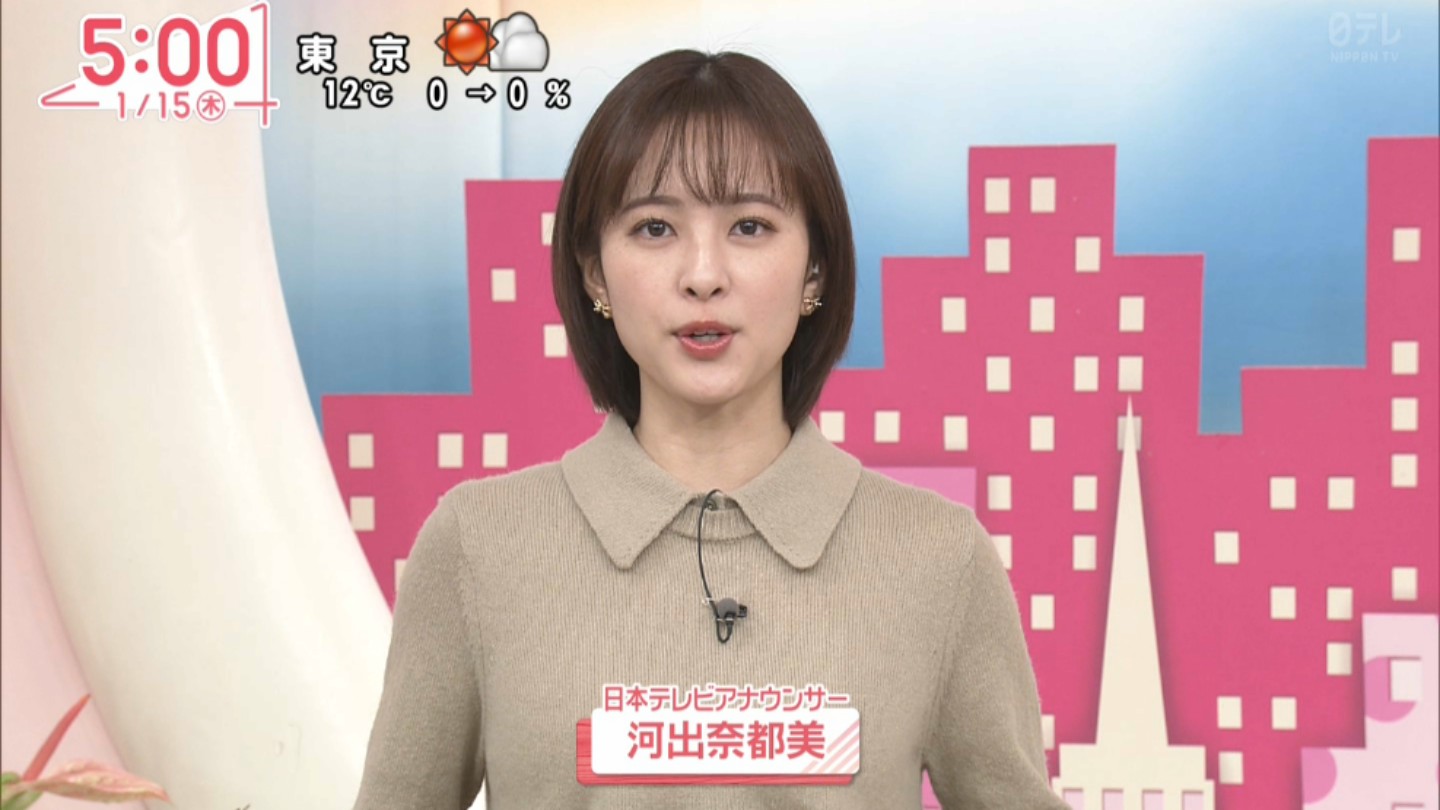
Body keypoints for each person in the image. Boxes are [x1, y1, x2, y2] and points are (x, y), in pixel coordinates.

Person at [352, 49, 1069, 809]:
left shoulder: (937, 559)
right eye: (655, 228)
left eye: (750, 226)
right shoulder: (479, 546)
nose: (703, 275)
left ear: (815, 271)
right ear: (595, 273)